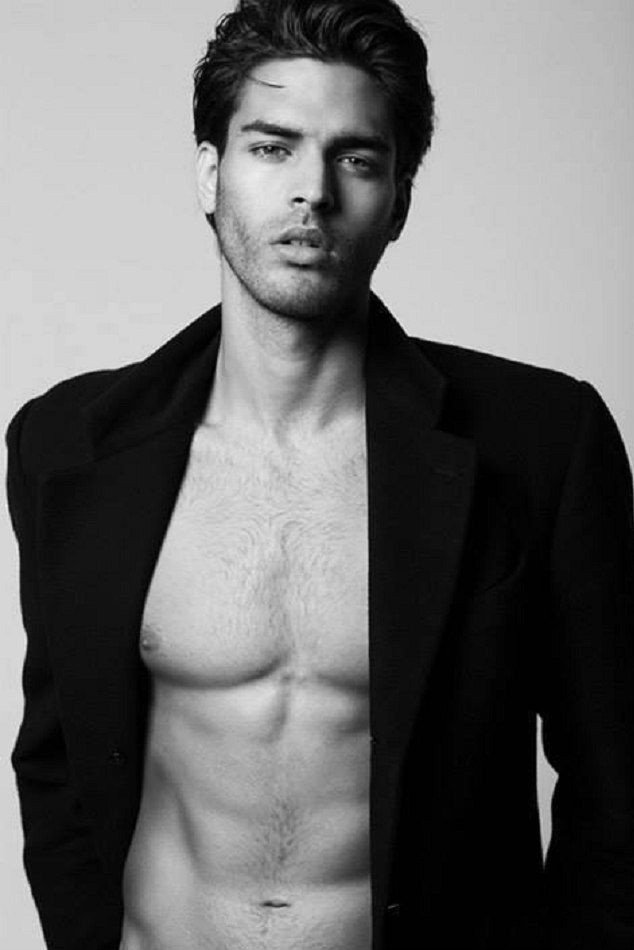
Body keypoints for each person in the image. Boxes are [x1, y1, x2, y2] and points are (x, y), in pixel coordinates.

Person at [5, 0, 634, 947]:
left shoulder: (541, 444)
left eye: (357, 158)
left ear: (400, 199)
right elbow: (55, 760)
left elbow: (615, 789)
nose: (312, 191)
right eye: (271, 147)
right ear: (210, 173)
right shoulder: (65, 446)